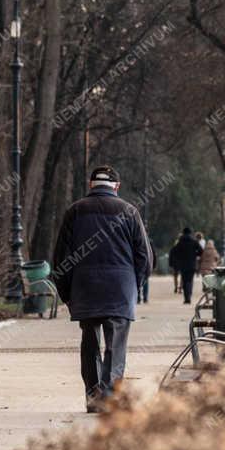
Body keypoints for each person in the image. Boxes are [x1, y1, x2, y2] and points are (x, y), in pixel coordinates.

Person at [52, 165, 152, 414]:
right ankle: (109, 396)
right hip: (120, 288)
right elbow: (144, 257)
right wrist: (135, 286)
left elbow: (60, 260)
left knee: (90, 341)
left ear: (90, 184)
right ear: (116, 187)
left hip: (85, 288)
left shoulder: (74, 212)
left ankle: (93, 395)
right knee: (115, 344)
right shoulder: (129, 211)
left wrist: (67, 294)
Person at [169, 227, 202, 304]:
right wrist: (195, 254)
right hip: (192, 264)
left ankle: (186, 298)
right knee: (190, 281)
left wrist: (178, 257)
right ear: (190, 233)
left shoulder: (180, 242)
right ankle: (189, 296)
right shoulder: (194, 242)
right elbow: (201, 251)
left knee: (184, 280)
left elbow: (173, 251)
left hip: (183, 264)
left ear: (183, 233)